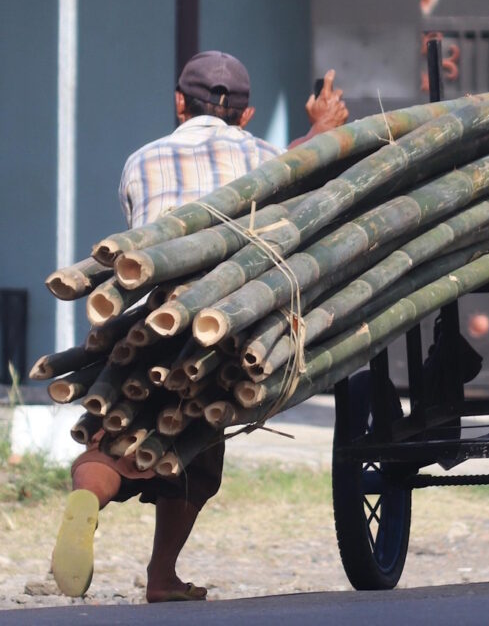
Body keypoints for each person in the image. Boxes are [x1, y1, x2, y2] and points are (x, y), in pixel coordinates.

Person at [51, 50, 348, 602]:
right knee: (192, 447)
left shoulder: (142, 160)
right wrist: (321, 132)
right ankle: (162, 577)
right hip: (225, 328)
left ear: (179, 103)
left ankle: (88, 499)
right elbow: (294, 188)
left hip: (151, 321)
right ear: (248, 113)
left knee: (115, 428)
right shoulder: (266, 157)